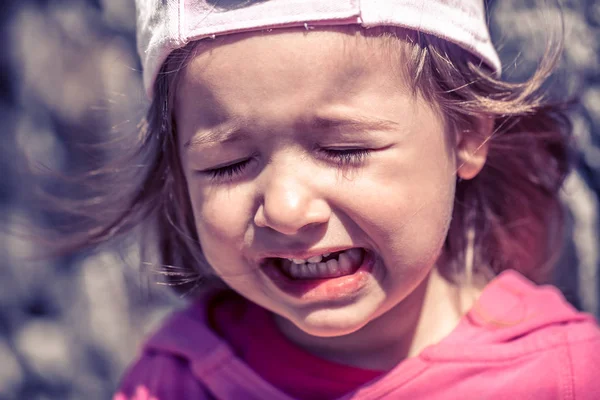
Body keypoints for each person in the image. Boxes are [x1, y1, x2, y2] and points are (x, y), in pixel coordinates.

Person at [105, 0, 600, 398]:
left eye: (344, 150)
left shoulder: (563, 378)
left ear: (466, 135)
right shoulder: (175, 382)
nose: (285, 208)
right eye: (227, 165)